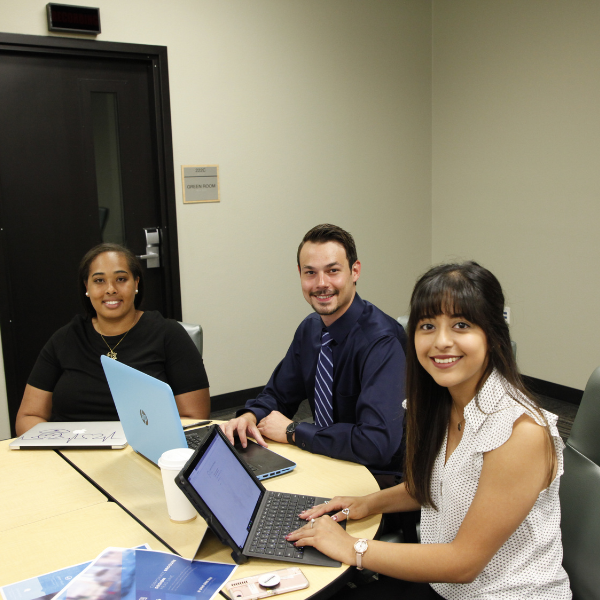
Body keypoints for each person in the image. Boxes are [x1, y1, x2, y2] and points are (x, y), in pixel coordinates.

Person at [288, 261, 571, 600]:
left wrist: (353, 547)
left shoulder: (519, 431)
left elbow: (463, 563)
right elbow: (443, 483)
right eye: (427, 326)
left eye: (461, 325)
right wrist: (367, 503)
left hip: (503, 592)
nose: (441, 342)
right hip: (447, 585)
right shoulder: (444, 402)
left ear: (493, 335)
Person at [221, 224, 407, 485]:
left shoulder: (381, 341)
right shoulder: (311, 329)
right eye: (311, 273)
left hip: (377, 476)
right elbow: (278, 395)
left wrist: (293, 431)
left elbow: (376, 443)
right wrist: (250, 416)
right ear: (299, 274)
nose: (321, 284)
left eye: (333, 271)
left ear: (355, 271)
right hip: (324, 459)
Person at [15, 243, 210, 435]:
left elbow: (194, 418)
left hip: (144, 451)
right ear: (87, 287)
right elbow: (28, 417)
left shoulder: (168, 334)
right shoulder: (65, 338)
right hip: (71, 451)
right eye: (99, 281)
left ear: (136, 283)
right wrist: (62, 446)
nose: (110, 289)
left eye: (121, 279)